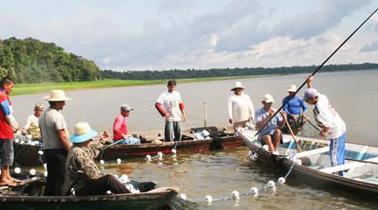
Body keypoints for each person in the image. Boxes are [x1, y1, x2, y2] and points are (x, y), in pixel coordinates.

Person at [62, 122, 130, 196]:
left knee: (110, 179)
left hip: (84, 186)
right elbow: (92, 175)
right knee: (109, 179)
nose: (91, 140)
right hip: (82, 190)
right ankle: (129, 197)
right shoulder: (79, 152)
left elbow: (92, 151)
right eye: (89, 138)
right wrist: (108, 178)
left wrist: (102, 140)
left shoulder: (77, 148)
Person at [304, 76, 346, 175]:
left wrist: (324, 132)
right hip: (341, 125)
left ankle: (338, 174)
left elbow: (328, 124)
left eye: (307, 100)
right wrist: (309, 83)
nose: (306, 102)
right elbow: (313, 93)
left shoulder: (320, 110)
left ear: (313, 99)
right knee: (340, 150)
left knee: (334, 154)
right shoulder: (322, 97)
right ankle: (342, 167)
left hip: (336, 131)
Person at [39, 90, 72, 195]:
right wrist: (71, 151)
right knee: (61, 178)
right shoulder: (57, 116)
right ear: (56, 102)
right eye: (62, 102)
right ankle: (59, 199)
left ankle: (47, 198)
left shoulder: (42, 115)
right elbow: (63, 136)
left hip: (48, 150)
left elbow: (42, 134)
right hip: (58, 152)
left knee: (51, 178)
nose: (64, 104)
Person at [0, 77, 20, 186]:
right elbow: (7, 113)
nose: (12, 88)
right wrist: (14, 126)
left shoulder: (5, 95)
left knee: (7, 153)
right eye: (11, 86)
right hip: (4, 129)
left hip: (4, 129)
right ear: (5, 85)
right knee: (6, 154)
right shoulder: (2, 95)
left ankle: (7, 176)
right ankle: (3, 178)